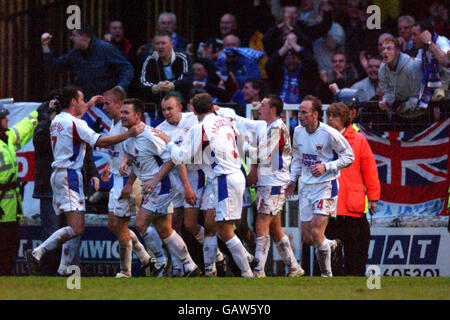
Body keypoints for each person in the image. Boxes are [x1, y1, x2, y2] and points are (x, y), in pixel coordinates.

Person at [25, 86, 144, 275]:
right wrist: (130, 133)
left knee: (70, 224)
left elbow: (74, 122)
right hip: (69, 174)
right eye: (81, 100)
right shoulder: (75, 123)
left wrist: (87, 106)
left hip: (59, 174)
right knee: (77, 227)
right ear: (73, 102)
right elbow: (100, 141)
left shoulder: (57, 120)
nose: (84, 103)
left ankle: (64, 267)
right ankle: (38, 252)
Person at [153, 93, 255, 277]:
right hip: (224, 177)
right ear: (212, 107)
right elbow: (242, 145)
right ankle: (210, 271)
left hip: (224, 178)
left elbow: (180, 157)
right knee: (209, 223)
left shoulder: (199, 128)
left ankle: (248, 272)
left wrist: (168, 142)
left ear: (193, 110)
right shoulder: (226, 122)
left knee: (225, 229)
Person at [119, 98, 201, 277]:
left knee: (140, 222)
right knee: (164, 229)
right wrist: (128, 175)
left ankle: (160, 262)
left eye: (126, 113)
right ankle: (189, 265)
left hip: (161, 185)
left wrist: (155, 180)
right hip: (151, 186)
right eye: (122, 112)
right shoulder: (127, 137)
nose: (122, 116)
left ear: (138, 115)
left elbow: (173, 158)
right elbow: (137, 161)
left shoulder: (151, 136)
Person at [156, 94, 226, 277]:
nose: (166, 113)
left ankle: (216, 256)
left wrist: (187, 185)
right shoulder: (160, 130)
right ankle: (181, 266)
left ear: (180, 107)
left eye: (170, 108)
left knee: (191, 223)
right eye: (163, 109)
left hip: (197, 176)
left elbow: (214, 115)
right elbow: (170, 160)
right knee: (176, 224)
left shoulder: (193, 119)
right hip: (175, 181)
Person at [32, 93, 102, 276]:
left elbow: (84, 151)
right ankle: (45, 270)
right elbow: (45, 144)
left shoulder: (68, 124)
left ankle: (67, 269)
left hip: (71, 181)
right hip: (51, 187)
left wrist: (93, 173)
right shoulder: (44, 127)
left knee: (74, 228)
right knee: (55, 229)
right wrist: (53, 119)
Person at [285, 95, 354, 277]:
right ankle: (332, 244)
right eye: (299, 112)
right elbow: (298, 159)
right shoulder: (298, 132)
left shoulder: (329, 133)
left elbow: (349, 156)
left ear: (315, 114)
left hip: (326, 185)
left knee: (316, 231)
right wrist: (293, 180)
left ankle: (326, 275)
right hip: (306, 187)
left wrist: (327, 166)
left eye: (304, 112)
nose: (299, 115)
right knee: (308, 237)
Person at [247, 95, 305, 278]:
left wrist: (238, 145)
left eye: (263, 105)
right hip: (269, 181)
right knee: (274, 228)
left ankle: (259, 270)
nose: (259, 108)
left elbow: (263, 153)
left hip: (274, 181)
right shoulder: (269, 127)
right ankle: (294, 267)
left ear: (273, 109)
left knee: (261, 221)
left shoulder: (277, 128)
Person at [100, 87, 154, 278]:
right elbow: (118, 150)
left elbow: (132, 154)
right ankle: (146, 258)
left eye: (108, 103)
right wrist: (109, 165)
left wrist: (128, 182)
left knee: (120, 225)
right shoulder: (115, 124)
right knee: (113, 225)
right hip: (116, 178)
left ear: (119, 104)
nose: (104, 107)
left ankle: (126, 271)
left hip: (125, 180)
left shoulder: (128, 128)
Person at [325, 102, 380, 276]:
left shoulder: (358, 139)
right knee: (331, 250)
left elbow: (370, 170)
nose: (331, 120)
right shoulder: (323, 138)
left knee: (354, 249)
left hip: (351, 204)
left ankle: (355, 279)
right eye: (329, 116)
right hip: (329, 203)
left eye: (335, 116)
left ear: (345, 119)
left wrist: (373, 197)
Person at [41, 23, 134, 100]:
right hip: (85, 104)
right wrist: (45, 45)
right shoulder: (75, 53)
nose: (71, 39)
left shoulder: (106, 49)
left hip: (105, 104)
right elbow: (56, 66)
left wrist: (121, 86)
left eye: (74, 35)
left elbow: (127, 68)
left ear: (84, 37)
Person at [0, 104, 39, 275]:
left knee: (11, 244)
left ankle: (6, 276)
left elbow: (25, 126)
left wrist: (39, 112)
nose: (7, 119)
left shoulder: (7, 138)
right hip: (3, 206)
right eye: (3, 117)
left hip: (10, 208)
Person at [140, 31, 190, 108]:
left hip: (182, 105)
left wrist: (172, 85)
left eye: (163, 43)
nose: (160, 46)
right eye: (157, 43)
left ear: (171, 44)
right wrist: (156, 87)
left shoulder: (182, 57)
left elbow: (187, 78)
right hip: (158, 107)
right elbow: (143, 82)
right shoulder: (150, 60)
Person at [378, 36, 423, 120]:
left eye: (389, 49)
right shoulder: (382, 68)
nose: (385, 52)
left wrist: (406, 105)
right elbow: (388, 92)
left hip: (418, 107)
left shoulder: (411, 67)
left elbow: (419, 94)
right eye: (383, 49)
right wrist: (385, 101)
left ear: (397, 51)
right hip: (398, 105)